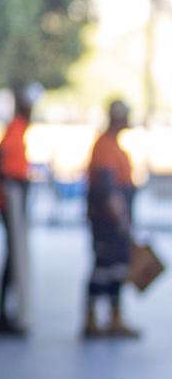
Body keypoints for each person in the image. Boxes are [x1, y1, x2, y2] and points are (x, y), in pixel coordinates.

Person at [83, 99, 139, 339]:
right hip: (106, 221)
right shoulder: (104, 147)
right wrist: (119, 218)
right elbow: (106, 188)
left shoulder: (114, 146)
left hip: (116, 220)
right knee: (102, 268)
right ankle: (91, 319)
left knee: (117, 269)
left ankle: (115, 318)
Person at [0, 90, 33, 337]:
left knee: (14, 258)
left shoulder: (19, 129)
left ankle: (9, 313)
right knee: (11, 258)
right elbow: (1, 160)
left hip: (11, 201)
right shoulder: (15, 129)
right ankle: (2, 315)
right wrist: (11, 186)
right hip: (10, 204)